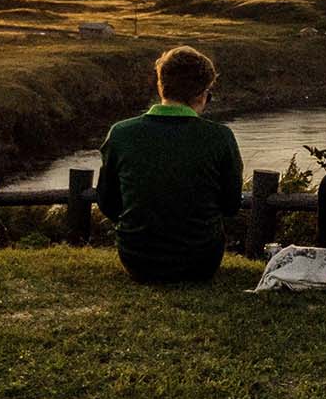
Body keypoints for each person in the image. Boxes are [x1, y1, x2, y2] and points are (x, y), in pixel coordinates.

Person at [95, 45, 242, 283]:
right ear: (202, 95)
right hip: (200, 261)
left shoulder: (121, 133)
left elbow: (108, 201)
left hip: (138, 259)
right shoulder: (220, 137)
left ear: (160, 85)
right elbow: (231, 204)